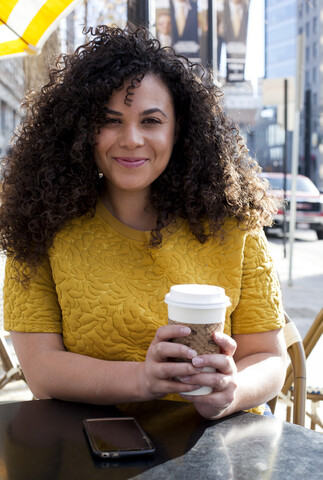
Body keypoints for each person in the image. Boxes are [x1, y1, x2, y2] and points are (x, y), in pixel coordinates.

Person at [0, 25, 287, 420]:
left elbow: (270, 358)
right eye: (110, 120)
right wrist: (143, 380)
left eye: (151, 121)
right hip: (89, 447)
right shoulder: (41, 224)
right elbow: (41, 371)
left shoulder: (232, 223)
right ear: (82, 129)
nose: (131, 139)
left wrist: (231, 392)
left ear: (178, 129)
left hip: (219, 450)